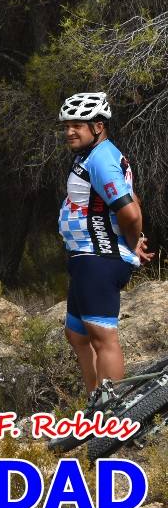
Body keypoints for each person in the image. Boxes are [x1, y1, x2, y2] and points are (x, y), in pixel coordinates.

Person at [57, 92, 154, 397]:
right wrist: (131, 242)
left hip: (98, 258)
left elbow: (131, 210)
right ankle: (96, 399)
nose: (70, 131)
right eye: (67, 125)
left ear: (98, 126)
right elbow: (130, 195)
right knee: (77, 333)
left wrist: (131, 241)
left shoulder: (101, 160)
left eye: (77, 125)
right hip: (86, 257)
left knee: (102, 337)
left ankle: (114, 415)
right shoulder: (92, 155)